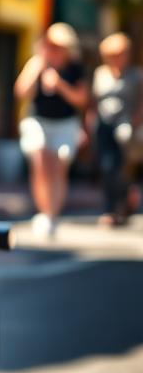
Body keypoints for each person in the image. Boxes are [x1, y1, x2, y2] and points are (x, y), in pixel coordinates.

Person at [14, 22, 89, 237]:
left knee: (58, 167)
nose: (54, 49)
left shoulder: (74, 68)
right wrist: (38, 67)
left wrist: (60, 85)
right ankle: (44, 213)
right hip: (38, 120)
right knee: (40, 162)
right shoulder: (37, 63)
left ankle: (52, 214)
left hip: (65, 123)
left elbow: (82, 99)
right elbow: (21, 91)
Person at [90, 32, 143, 226]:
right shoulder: (100, 74)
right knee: (107, 167)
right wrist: (89, 123)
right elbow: (94, 101)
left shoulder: (135, 75)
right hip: (103, 125)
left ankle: (123, 204)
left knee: (121, 169)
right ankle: (111, 208)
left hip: (126, 127)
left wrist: (136, 121)